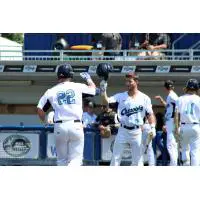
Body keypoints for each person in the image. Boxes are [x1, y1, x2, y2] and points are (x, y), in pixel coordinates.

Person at [37, 64, 96, 166]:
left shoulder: (51, 91)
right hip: (75, 125)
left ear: (58, 76)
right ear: (70, 75)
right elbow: (93, 90)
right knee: (76, 160)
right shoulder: (77, 86)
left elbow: (39, 109)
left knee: (61, 161)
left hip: (59, 126)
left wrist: (45, 121)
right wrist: (89, 79)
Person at [100, 72, 156, 166]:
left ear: (136, 82)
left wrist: (153, 127)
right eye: (126, 81)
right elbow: (106, 102)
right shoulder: (120, 96)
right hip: (123, 130)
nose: (128, 84)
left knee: (138, 161)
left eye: (130, 81)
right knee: (115, 159)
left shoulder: (145, 98)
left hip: (137, 131)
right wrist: (103, 91)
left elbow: (150, 114)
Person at [175, 79, 200, 166]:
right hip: (195, 126)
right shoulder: (199, 99)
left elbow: (176, 116)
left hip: (183, 126)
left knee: (185, 149)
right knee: (195, 151)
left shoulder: (180, 99)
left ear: (187, 87)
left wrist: (176, 128)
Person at [154, 80, 179, 166]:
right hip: (170, 122)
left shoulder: (172, 96)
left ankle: (174, 164)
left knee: (171, 145)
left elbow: (179, 107)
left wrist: (176, 123)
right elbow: (169, 107)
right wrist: (161, 100)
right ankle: (173, 163)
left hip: (172, 121)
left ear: (165, 88)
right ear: (172, 87)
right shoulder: (170, 96)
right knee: (171, 144)